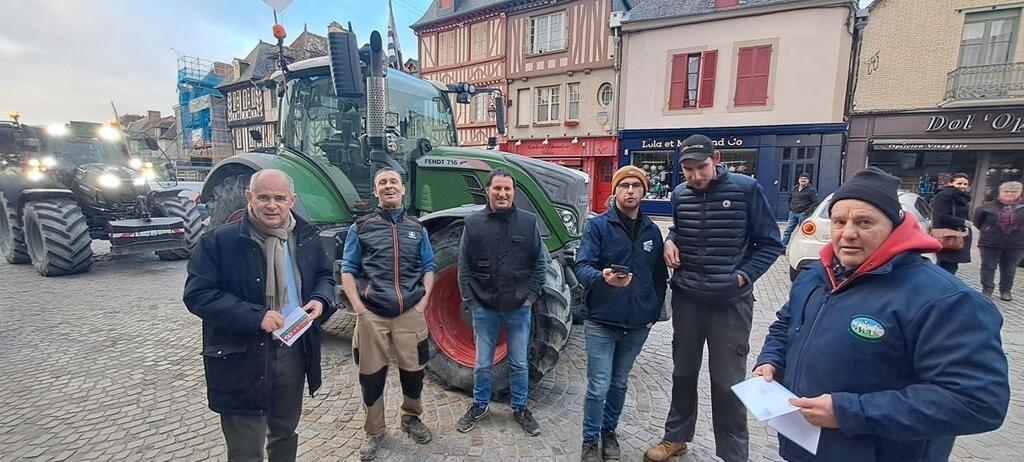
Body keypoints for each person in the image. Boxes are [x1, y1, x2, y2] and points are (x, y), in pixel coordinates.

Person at [753, 167, 1009, 461]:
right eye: (839, 221)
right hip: (804, 447)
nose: (848, 233)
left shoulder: (945, 300)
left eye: (864, 222)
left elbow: (977, 402)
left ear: (893, 227)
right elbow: (786, 324)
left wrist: (848, 412)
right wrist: (771, 360)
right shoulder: (815, 275)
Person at [645, 134, 784, 462]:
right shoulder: (679, 194)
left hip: (730, 304)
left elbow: (770, 244)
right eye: (687, 169)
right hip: (688, 298)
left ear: (717, 158)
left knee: (727, 382)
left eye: (701, 167)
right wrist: (670, 240)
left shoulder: (747, 190)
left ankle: (734, 454)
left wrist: (742, 276)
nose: (695, 176)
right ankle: (676, 437)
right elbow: (679, 228)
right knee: (682, 372)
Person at [183, 169, 336, 462]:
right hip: (241, 357)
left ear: (292, 200)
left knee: (285, 434)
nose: (271, 205)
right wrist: (256, 316)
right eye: (264, 197)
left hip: (292, 351)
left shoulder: (305, 237)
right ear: (249, 198)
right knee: (246, 449)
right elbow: (198, 295)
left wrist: (320, 300)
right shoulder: (219, 242)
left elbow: (323, 277)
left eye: (279, 198)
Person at [340, 167, 436, 460]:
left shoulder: (418, 228)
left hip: (410, 312)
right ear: (375, 191)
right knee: (371, 375)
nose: (389, 186)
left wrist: (422, 303)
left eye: (394, 181)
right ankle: (374, 431)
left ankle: (411, 417)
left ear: (403, 189)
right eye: (383, 182)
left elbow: (429, 268)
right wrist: (358, 307)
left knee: (414, 372)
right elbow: (348, 269)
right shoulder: (362, 227)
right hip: (372, 314)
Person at [575, 166, 669, 462]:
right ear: (615, 191)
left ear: (643, 191)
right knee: (599, 385)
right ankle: (590, 440)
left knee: (619, 383)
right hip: (601, 320)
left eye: (635, 186)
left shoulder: (652, 230)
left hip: (638, 323)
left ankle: (609, 432)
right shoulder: (598, 227)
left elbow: (659, 277)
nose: (630, 191)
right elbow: (581, 267)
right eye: (624, 186)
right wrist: (602, 277)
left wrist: (653, 313)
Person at [455, 168, 548, 436]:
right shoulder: (473, 224)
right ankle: (480, 404)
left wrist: (530, 298)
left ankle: (520, 407)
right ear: (488, 191)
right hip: (484, 308)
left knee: (519, 362)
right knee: (483, 363)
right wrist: (472, 303)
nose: (502, 193)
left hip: (519, 308)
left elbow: (540, 265)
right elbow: (464, 268)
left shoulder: (528, 223)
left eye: (507, 189)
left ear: (514, 192)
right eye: (497, 188)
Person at [973, 181, 1024, 301]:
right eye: (1006, 191)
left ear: (1020, 193)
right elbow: (978, 222)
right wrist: (988, 230)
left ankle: (1005, 290)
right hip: (990, 242)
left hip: (1016, 244)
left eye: (1014, 192)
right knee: (988, 266)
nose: (1010, 194)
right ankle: (987, 289)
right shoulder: (987, 207)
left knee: (1010, 268)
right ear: (1000, 192)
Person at [931, 173, 973, 274]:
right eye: (959, 183)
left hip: (957, 236)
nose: (962, 186)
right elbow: (940, 216)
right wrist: (962, 222)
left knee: (950, 265)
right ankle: (941, 287)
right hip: (948, 236)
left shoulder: (962, 197)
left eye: (965, 184)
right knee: (946, 267)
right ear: (951, 183)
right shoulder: (945, 195)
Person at [781, 173, 819, 247]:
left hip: (803, 215)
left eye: (805, 179)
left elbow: (816, 202)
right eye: (801, 178)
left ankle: (801, 248)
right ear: (799, 179)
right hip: (793, 213)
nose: (803, 180)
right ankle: (782, 247)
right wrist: (790, 208)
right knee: (787, 231)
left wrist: (806, 212)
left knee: (802, 232)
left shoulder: (811, 190)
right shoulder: (794, 188)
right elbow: (790, 199)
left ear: (808, 180)